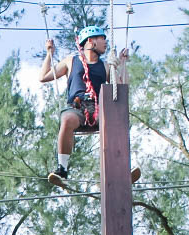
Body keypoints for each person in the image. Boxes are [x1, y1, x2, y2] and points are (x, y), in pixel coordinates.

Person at [39, 25, 128, 181]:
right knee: (67, 119)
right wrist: (49, 54)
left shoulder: (105, 66)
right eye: (102, 39)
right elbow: (44, 76)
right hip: (77, 109)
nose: (106, 43)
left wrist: (122, 64)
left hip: (99, 110)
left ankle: (121, 166)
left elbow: (120, 89)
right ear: (91, 41)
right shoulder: (71, 61)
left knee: (116, 120)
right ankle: (62, 168)